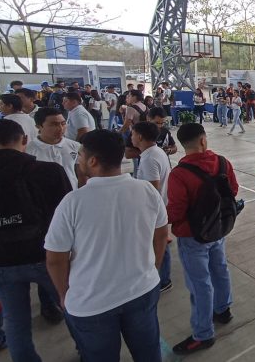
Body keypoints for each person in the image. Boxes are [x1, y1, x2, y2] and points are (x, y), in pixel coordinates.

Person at [44, 130, 167, 361]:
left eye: (80, 155)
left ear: (92, 161)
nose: (78, 160)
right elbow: (161, 236)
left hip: (92, 303)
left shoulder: (72, 203)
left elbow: (55, 259)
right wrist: (154, 269)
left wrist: (64, 293)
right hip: (142, 289)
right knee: (149, 352)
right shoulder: (146, 190)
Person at [0, 120, 71, 362]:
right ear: (24, 140)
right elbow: (67, 217)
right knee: (73, 307)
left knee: (15, 321)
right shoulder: (49, 171)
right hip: (48, 257)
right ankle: (89, 351)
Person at [167, 123, 237, 354]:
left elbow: (176, 210)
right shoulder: (223, 163)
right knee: (220, 269)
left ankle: (203, 334)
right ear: (203, 140)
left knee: (200, 284)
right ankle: (223, 310)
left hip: (192, 236)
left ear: (182, 145)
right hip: (218, 229)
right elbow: (233, 190)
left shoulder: (179, 174)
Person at [131, 121, 173, 292]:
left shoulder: (149, 159)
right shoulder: (155, 152)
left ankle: (163, 280)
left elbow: (151, 189)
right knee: (159, 241)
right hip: (160, 204)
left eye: (133, 134)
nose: (131, 137)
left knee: (158, 242)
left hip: (154, 208)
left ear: (140, 137)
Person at [27, 107, 83, 188]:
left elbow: (82, 175)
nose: (60, 128)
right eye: (54, 125)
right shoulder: (28, 150)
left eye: (63, 123)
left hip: (72, 193)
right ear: (39, 126)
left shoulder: (75, 146)